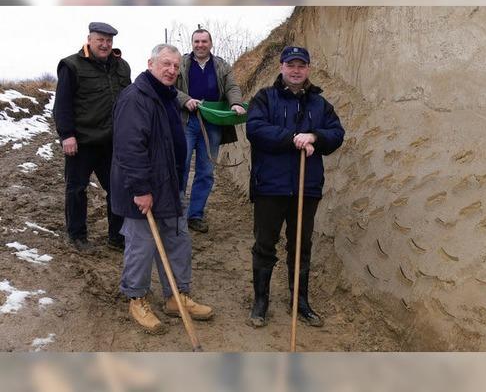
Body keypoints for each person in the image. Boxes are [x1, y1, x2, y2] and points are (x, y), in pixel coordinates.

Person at [111, 44, 213, 334]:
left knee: (177, 241)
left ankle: (176, 296)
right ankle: (137, 298)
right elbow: (129, 148)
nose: (171, 70)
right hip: (142, 190)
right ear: (150, 64)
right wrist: (142, 188)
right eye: (165, 64)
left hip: (169, 186)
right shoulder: (136, 98)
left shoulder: (167, 97)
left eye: (175, 66)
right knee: (141, 246)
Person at [246, 46, 344, 328]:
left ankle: (300, 301)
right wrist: (294, 139)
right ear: (281, 67)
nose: (296, 70)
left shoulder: (321, 104)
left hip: (307, 187)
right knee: (265, 245)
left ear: (308, 69)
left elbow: (337, 134)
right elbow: (255, 129)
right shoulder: (264, 98)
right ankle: (261, 301)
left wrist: (314, 135)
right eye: (291, 65)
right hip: (270, 187)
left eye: (301, 65)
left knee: (301, 246)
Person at [53, 22, 130, 253]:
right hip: (82, 142)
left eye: (109, 41)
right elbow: (62, 105)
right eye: (100, 40)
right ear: (89, 39)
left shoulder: (121, 66)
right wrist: (67, 135)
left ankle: (117, 237)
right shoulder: (71, 66)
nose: (105, 45)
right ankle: (77, 236)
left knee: (117, 189)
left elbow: (129, 99)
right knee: (76, 190)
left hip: (111, 142)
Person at [175, 28, 245, 233]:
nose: (200, 45)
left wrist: (236, 103)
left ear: (210, 43)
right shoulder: (181, 63)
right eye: (196, 41)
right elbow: (170, 87)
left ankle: (195, 215)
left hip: (212, 122)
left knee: (206, 171)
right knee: (182, 166)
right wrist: (185, 99)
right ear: (192, 43)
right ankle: (176, 213)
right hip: (187, 121)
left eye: (204, 41)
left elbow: (232, 87)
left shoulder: (222, 65)